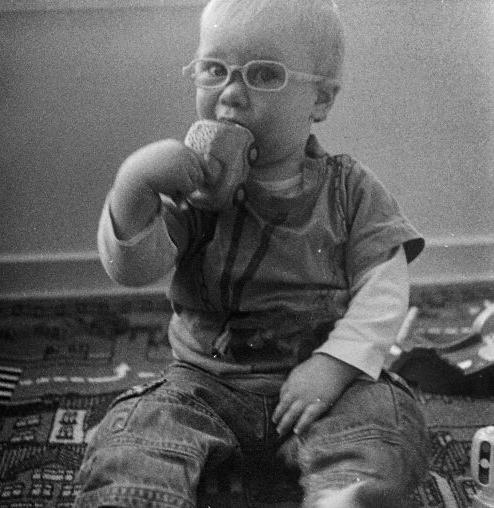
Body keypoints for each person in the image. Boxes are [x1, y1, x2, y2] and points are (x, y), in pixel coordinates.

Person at [74, 1, 429, 506]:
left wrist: (334, 365)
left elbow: (384, 286)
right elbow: (133, 269)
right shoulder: (193, 191)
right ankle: (139, 493)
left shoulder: (351, 190)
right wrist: (134, 185)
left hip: (322, 390)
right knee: (142, 425)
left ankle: (345, 491)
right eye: (213, 70)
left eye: (263, 74)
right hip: (205, 384)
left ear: (320, 99)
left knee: (386, 415)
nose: (231, 93)